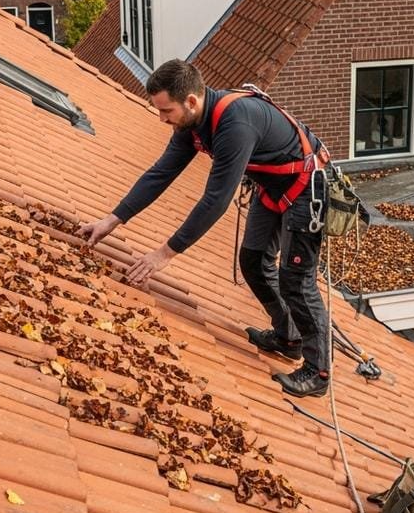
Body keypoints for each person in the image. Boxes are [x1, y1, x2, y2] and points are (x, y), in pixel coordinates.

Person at [80, 59, 331, 398]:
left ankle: (318, 373)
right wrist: (112, 219)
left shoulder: (234, 125)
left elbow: (215, 200)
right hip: (272, 187)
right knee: (254, 262)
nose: (162, 119)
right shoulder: (191, 127)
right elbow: (160, 174)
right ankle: (289, 338)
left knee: (296, 281)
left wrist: (163, 255)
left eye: (166, 111)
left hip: (305, 189)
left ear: (192, 101)